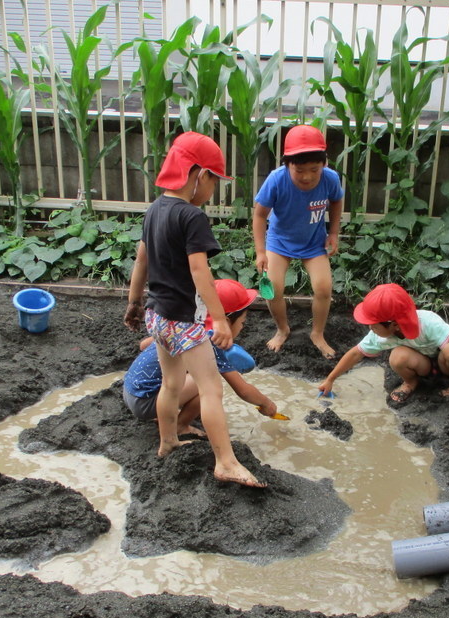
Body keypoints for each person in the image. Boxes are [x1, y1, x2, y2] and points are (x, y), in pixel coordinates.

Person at [124, 132, 265, 488]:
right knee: (211, 388)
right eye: (214, 182)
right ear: (200, 174)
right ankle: (226, 462)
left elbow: (142, 258)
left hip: (156, 316)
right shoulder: (192, 216)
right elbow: (200, 271)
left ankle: (168, 440)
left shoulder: (154, 209)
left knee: (171, 384)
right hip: (183, 321)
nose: (212, 191)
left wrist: (133, 302)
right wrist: (219, 318)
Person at [124, 278, 280, 435]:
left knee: (189, 370)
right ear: (225, 321)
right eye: (242, 322)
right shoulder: (212, 341)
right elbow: (243, 390)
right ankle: (180, 426)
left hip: (130, 390)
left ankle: (171, 412)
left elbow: (143, 345)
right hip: (145, 403)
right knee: (209, 383)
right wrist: (267, 404)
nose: (242, 327)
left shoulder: (184, 324)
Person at [253, 124, 344, 359]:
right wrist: (261, 252)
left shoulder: (330, 178)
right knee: (273, 290)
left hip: (314, 243)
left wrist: (333, 233)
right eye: (300, 170)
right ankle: (282, 329)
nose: (307, 176)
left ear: (324, 163)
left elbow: (336, 201)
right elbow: (259, 214)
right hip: (279, 242)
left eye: (314, 169)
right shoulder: (276, 180)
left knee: (323, 288)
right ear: (287, 165)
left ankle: (317, 333)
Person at [317, 283, 449, 403]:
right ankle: (411, 382)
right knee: (397, 356)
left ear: (394, 324)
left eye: (373, 325)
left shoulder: (427, 322)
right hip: (423, 367)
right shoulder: (379, 336)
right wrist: (330, 379)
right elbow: (355, 353)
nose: (370, 328)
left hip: (447, 364)